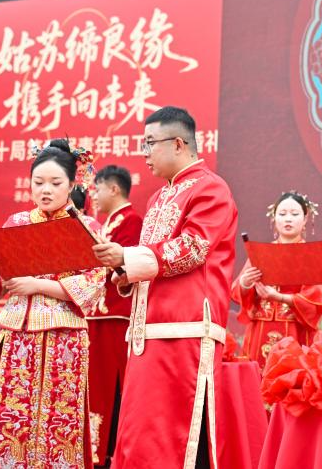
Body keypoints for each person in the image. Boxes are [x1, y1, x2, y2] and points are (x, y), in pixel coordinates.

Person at [92, 106, 238, 469]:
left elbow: (193, 248)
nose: (144, 153)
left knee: (176, 436)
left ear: (178, 144)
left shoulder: (211, 188)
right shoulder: (157, 198)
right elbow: (153, 262)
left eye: (150, 143)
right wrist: (125, 272)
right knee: (140, 434)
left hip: (185, 330)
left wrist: (127, 256)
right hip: (146, 332)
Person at [0, 139, 106, 469]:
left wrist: (38, 285)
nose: (45, 190)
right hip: (17, 337)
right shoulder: (17, 223)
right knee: (11, 418)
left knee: (59, 422)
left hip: (65, 339)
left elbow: (94, 282)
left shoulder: (86, 227)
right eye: (38, 182)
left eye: (55, 183)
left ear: (72, 184)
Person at [232, 191, 322, 365]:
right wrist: (245, 283)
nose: (288, 219)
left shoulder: (311, 256)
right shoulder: (261, 254)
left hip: (296, 331)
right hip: (259, 330)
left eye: (294, 214)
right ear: (274, 218)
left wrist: (280, 297)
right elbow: (237, 291)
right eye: (282, 214)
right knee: (257, 376)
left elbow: (315, 301)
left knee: (292, 375)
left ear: (305, 219)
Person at [87, 165, 142, 467]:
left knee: (113, 387)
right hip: (96, 317)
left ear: (114, 189)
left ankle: (111, 453)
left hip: (115, 318)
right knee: (97, 386)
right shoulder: (106, 223)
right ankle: (96, 450)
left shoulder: (131, 221)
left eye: (97, 189)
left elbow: (125, 269)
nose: (93, 196)